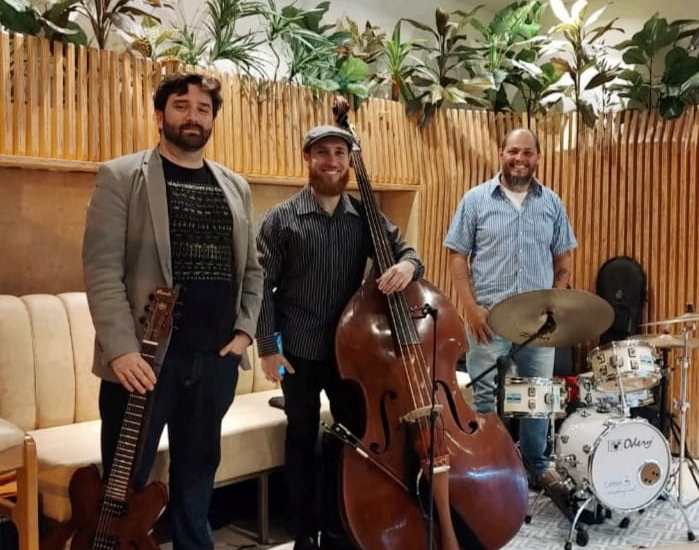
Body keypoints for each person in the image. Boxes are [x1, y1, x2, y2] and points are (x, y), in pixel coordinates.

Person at [82, 72, 263, 550]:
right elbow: (102, 270)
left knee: (198, 479)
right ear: (160, 115)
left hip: (215, 361)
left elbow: (253, 270)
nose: (193, 117)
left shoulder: (235, 186)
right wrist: (121, 350)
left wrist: (244, 332)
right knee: (125, 487)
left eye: (203, 109)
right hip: (143, 364)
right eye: (181, 106)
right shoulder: (121, 177)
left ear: (213, 120)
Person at [255, 125, 424, 550]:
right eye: (322, 153)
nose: (331, 161)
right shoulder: (281, 219)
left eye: (339, 153)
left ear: (349, 161)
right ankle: (302, 534)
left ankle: (340, 528)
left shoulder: (365, 216)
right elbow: (259, 288)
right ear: (307, 158)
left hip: (352, 353)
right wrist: (268, 349)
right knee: (301, 439)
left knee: (350, 440)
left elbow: (408, 253)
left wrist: (407, 267)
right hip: (299, 351)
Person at [443, 128, 576, 499]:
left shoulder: (551, 203)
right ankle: (488, 464)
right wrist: (471, 309)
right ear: (501, 153)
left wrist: (555, 304)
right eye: (513, 151)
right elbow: (457, 255)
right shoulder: (475, 200)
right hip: (488, 319)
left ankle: (537, 465)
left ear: (538, 157)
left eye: (528, 152)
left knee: (537, 395)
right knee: (484, 396)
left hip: (537, 324)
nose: (520, 159)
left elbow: (564, 259)